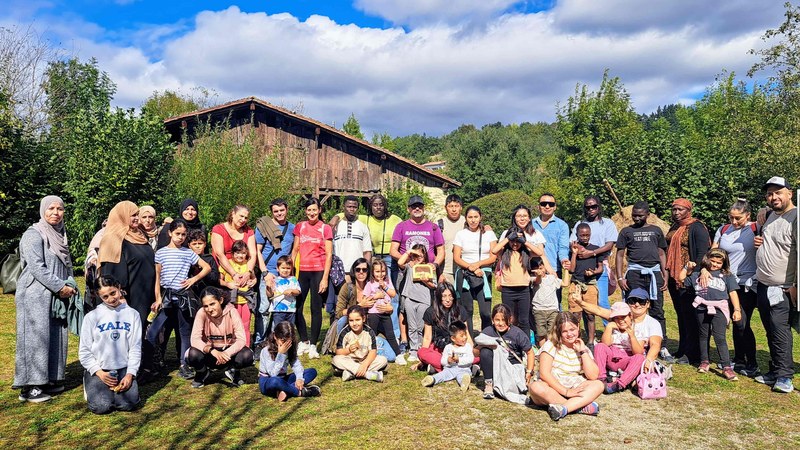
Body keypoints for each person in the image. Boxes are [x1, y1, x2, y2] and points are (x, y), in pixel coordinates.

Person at [14, 195, 76, 403]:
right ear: (43, 210)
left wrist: (70, 284)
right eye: (51, 208)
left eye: (60, 209)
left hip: (56, 294)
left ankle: (49, 378)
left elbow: (66, 263)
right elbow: (36, 267)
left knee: (55, 335)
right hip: (34, 294)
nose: (56, 213)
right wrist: (60, 287)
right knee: (35, 338)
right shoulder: (33, 234)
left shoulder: (60, 234)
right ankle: (30, 386)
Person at [99, 201, 156, 381]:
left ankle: (143, 367)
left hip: (145, 294)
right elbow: (110, 273)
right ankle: (127, 371)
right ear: (122, 215)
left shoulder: (139, 235)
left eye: (137, 214)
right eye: (133, 215)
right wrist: (120, 297)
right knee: (129, 333)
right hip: (129, 297)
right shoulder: (113, 238)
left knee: (142, 331)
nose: (137, 218)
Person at [152, 219, 211, 379]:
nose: (180, 237)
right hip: (166, 296)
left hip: (183, 297)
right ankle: (157, 361)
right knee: (159, 330)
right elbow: (157, 277)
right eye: (177, 233)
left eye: (184, 234)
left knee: (184, 331)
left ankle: (184, 364)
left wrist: (193, 279)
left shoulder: (188, 252)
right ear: (170, 233)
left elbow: (207, 267)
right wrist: (158, 298)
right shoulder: (161, 253)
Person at [753, 176, 797, 393]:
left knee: (780, 331)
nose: (774, 197)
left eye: (778, 192)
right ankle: (775, 370)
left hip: (783, 287)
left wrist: (796, 285)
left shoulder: (796, 218)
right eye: (770, 194)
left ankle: (785, 377)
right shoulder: (769, 215)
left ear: (790, 193)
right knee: (770, 330)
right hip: (763, 284)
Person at [390, 195, 445, 354]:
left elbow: (441, 250)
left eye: (419, 205)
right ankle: (405, 339)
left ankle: (426, 339)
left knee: (427, 305)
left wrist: (434, 265)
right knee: (404, 306)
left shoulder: (433, 227)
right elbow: (393, 250)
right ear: (408, 209)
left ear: (424, 207)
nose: (417, 208)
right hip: (406, 271)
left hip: (427, 270)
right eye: (413, 206)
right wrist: (408, 262)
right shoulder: (401, 226)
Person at [711, 198, 759, 377]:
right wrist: (706, 270)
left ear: (748, 215)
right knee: (734, 320)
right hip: (726, 282)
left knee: (742, 322)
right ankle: (739, 360)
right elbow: (713, 252)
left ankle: (752, 363)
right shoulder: (723, 230)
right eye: (731, 217)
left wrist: (763, 211)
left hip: (747, 283)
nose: (734, 221)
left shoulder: (756, 228)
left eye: (738, 218)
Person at [79, 276, 141, 414]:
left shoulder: (133, 315)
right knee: (101, 407)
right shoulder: (91, 317)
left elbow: (135, 348)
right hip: (100, 369)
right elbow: (84, 351)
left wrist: (130, 374)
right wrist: (98, 372)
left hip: (123, 368)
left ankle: (121, 391)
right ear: (99, 296)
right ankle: (89, 380)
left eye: (113, 293)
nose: (111, 299)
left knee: (128, 404)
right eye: (105, 297)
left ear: (119, 288)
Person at [677, 249, 741, 381]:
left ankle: (726, 366)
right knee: (703, 335)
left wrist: (737, 309)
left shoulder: (727, 275)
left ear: (724, 263)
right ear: (707, 259)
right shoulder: (697, 274)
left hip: (719, 309)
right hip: (701, 308)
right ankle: (704, 361)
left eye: (719, 262)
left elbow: (733, 292)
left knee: (720, 337)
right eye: (712, 261)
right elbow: (681, 279)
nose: (715, 264)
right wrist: (687, 267)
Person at [528, 312, 603, 421]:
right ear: (558, 331)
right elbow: (544, 374)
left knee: (598, 385)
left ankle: (564, 408)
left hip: (574, 385)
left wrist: (583, 352)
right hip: (552, 387)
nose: (569, 334)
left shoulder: (582, 347)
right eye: (565, 331)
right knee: (535, 387)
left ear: (578, 327)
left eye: (572, 329)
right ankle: (577, 406)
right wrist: (566, 392)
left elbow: (593, 376)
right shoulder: (550, 345)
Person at [664, 198, 710, 365]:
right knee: (682, 314)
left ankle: (693, 353)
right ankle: (683, 348)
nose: (676, 212)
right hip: (675, 276)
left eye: (680, 209)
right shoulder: (675, 227)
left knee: (691, 315)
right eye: (674, 209)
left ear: (688, 210)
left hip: (690, 278)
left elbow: (702, 253)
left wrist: (694, 273)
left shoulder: (696, 227)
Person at [615, 201, 668, 342]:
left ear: (648, 215)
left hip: (654, 273)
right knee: (633, 307)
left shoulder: (656, 230)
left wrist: (665, 274)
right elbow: (619, 255)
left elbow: (661, 253)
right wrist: (620, 277)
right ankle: (632, 340)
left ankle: (661, 344)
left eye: (640, 216)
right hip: (635, 274)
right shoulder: (626, 231)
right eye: (634, 216)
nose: (637, 218)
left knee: (657, 309)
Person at [578, 287, 664, 374]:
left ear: (648, 304)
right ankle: (602, 374)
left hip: (634, 356)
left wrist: (648, 360)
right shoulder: (619, 317)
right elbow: (598, 310)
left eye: (641, 301)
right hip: (614, 355)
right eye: (633, 301)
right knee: (600, 347)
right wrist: (580, 302)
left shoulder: (653, 323)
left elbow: (655, 345)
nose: (637, 304)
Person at [186, 287, 254, 388]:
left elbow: (241, 339)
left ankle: (233, 370)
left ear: (221, 300)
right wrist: (212, 351)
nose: (209, 309)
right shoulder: (201, 313)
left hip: (228, 354)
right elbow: (195, 339)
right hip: (210, 353)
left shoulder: (232, 311)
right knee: (192, 354)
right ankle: (202, 372)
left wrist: (227, 353)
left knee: (247, 355)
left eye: (212, 304)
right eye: (206, 306)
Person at [291, 197, 333, 359]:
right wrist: (291, 274)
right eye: (309, 210)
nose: (312, 213)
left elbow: (329, 255)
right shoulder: (300, 226)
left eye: (314, 210)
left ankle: (314, 345)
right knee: (297, 307)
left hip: (318, 272)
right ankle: (304, 340)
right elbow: (295, 250)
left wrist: (325, 278)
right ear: (305, 211)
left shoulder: (325, 228)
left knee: (316, 309)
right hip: (302, 272)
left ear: (319, 210)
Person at [358, 194, 403, 340]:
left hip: (391, 258)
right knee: (372, 290)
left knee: (392, 294)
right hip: (374, 258)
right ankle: (374, 329)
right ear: (370, 206)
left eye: (381, 204)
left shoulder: (394, 219)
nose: (378, 207)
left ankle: (395, 332)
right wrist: (334, 219)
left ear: (385, 206)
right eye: (375, 205)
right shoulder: (365, 219)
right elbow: (345, 213)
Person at [255, 198, 295, 347]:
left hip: (284, 274)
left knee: (280, 309)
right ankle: (259, 341)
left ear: (287, 209)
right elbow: (258, 251)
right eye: (276, 211)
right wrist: (265, 273)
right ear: (272, 212)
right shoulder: (264, 227)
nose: (279, 213)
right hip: (268, 272)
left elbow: (294, 251)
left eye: (282, 210)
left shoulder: (292, 228)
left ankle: (275, 340)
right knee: (264, 309)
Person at [474, 304, 535, 402]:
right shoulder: (488, 332)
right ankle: (489, 384)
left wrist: (529, 372)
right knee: (485, 352)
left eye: (504, 319)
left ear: (510, 319)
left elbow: (530, 352)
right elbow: (475, 353)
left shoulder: (517, 333)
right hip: (495, 366)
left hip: (512, 366)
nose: (501, 323)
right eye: (497, 320)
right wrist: (484, 346)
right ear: (492, 320)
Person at [453, 205, 497, 335]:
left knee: (485, 311)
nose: (473, 220)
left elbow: (493, 256)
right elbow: (457, 257)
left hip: (483, 273)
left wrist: (477, 265)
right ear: (466, 218)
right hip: (465, 273)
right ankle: (469, 339)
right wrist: (470, 267)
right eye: (470, 217)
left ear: (480, 217)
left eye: (476, 217)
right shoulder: (461, 234)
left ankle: (486, 337)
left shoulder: (489, 234)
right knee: (467, 310)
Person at [570, 195, 618, 315]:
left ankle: (610, 325)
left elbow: (609, 244)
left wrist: (592, 253)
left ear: (599, 207)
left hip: (599, 265)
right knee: (582, 302)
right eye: (588, 207)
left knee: (602, 301)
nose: (591, 209)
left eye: (594, 206)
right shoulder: (580, 224)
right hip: (581, 267)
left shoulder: (607, 223)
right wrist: (582, 250)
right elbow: (572, 242)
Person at [418, 282, 475, 373]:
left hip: (458, 348)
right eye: (444, 296)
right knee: (422, 352)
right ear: (439, 297)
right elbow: (427, 337)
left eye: (450, 296)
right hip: (439, 349)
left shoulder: (460, 310)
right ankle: (463, 367)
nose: (448, 300)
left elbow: (466, 334)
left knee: (478, 355)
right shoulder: (430, 312)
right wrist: (422, 359)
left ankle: (439, 368)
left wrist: (471, 350)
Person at [258, 321, 321, 401]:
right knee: (275, 381)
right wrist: (281, 354)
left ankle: (285, 391)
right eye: (283, 341)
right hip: (268, 380)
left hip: (283, 379)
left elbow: (296, 365)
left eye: (288, 341)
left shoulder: (290, 347)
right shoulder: (266, 351)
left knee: (312, 371)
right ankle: (299, 392)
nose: (286, 345)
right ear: (275, 336)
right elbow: (273, 374)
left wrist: (299, 379)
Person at [592, 302, 647, 393]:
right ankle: (601, 379)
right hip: (613, 357)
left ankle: (619, 384)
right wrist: (609, 328)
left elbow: (638, 352)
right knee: (599, 346)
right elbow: (605, 344)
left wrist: (632, 336)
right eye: (617, 318)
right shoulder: (613, 329)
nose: (620, 320)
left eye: (623, 317)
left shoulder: (638, 330)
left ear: (630, 316)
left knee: (639, 358)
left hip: (627, 360)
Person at [491, 226, 534, 339]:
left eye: (518, 241)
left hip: (523, 291)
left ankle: (525, 343)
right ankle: (510, 341)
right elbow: (494, 250)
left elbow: (539, 252)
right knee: (509, 318)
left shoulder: (525, 253)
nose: (515, 244)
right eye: (512, 241)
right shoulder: (504, 253)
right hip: (508, 290)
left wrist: (524, 241)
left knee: (524, 320)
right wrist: (508, 238)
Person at [398, 244, 437, 363]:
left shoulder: (429, 267)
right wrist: (409, 251)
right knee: (412, 326)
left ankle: (420, 347)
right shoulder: (410, 266)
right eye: (416, 254)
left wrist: (426, 281)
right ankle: (413, 349)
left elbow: (434, 285)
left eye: (421, 254)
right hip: (410, 298)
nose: (419, 257)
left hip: (424, 300)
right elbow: (400, 262)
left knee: (420, 326)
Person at [332, 305, 388, 382]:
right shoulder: (345, 332)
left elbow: (373, 351)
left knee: (383, 360)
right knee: (336, 359)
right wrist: (348, 350)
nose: (354, 323)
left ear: (363, 319)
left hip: (364, 360)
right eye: (351, 320)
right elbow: (338, 352)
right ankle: (367, 374)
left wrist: (365, 365)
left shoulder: (369, 332)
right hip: (350, 361)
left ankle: (351, 373)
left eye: (357, 320)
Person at [363, 258, 402, 364]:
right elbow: (365, 299)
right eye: (377, 271)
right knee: (372, 333)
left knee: (390, 334)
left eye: (383, 271)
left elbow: (393, 294)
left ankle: (398, 354)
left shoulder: (387, 282)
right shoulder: (369, 284)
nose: (380, 274)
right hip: (373, 313)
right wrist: (376, 296)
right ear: (372, 272)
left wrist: (385, 287)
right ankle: (369, 354)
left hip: (385, 313)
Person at [533, 193, 571, 303]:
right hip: (533, 268)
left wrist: (564, 260)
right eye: (544, 203)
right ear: (538, 206)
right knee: (532, 303)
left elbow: (563, 248)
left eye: (551, 204)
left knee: (555, 303)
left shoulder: (562, 225)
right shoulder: (530, 224)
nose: (547, 206)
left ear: (555, 207)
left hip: (553, 270)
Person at [219, 240, 257, 347]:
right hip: (232, 301)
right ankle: (231, 346)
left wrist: (252, 282)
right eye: (238, 253)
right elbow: (219, 280)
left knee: (246, 324)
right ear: (232, 253)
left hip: (245, 301)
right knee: (232, 325)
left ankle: (246, 347)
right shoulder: (227, 264)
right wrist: (228, 284)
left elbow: (254, 279)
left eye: (243, 253)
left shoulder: (248, 265)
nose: (240, 255)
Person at [421, 321, 473, 391]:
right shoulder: (448, 347)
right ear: (453, 338)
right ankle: (432, 379)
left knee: (462, 376)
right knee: (442, 375)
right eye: (461, 336)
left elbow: (471, 359)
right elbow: (442, 361)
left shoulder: (467, 347)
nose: (465, 337)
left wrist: (459, 360)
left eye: (465, 335)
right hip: (450, 369)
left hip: (464, 369)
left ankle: (464, 383)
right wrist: (448, 361)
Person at [330, 195, 373, 276]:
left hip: (358, 271)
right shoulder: (335, 226)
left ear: (358, 208)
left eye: (354, 207)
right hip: (339, 271)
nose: (352, 209)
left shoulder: (363, 227)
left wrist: (366, 269)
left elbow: (367, 251)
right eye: (349, 206)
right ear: (343, 207)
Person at [530, 260, 560, 346]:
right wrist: (538, 275)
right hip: (539, 310)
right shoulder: (532, 278)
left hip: (552, 309)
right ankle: (543, 350)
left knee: (552, 332)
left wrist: (565, 270)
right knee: (541, 334)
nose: (539, 271)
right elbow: (538, 281)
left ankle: (551, 349)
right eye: (537, 269)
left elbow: (565, 284)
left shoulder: (551, 278)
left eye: (541, 268)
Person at [439, 193, 466, 285]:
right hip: (445, 271)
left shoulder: (467, 223)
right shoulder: (439, 224)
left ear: (461, 207)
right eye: (451, 206)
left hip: (465, 270)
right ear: (445, 208)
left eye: (456, 206)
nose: (454, 209)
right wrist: (439, 273)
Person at [268, 256, 301, 331]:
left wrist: (291, 291)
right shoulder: (274, 280)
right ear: (277, 268)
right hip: (277, 310)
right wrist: (268, 287)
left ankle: (289, 339)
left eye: (288, 268)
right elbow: (270, 295)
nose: (285, 270)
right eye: (283, 268)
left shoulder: (293, 279)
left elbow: (298, 291)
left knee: (290, 329)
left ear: (291, 269)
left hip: (290, 310)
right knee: (278, 329)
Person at [186, 229, 220, 296]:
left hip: (207, 291)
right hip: (191, 292)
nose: (197, 246)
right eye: (194, 244)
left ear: (205, 244)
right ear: (189, 245)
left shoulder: (209, 259)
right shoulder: (187, 259)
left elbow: (215, 278)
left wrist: (203, 269)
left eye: (200, 243)